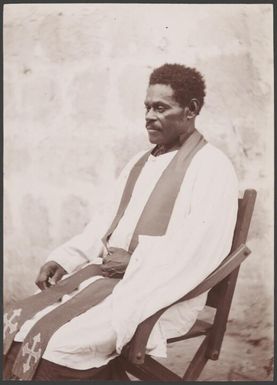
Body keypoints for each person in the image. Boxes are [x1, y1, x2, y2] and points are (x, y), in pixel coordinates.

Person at [3, 63, 238, 380]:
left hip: (162, 295)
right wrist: (65, 257)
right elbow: (104, 223)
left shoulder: (212, 167)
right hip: (109, 283)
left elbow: (200, 249)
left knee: (62, 345)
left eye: (160, 108)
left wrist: (136, 262)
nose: (149, 116)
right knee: (18, 323)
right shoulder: (140, 163)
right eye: (147, 107)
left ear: (191, 109)